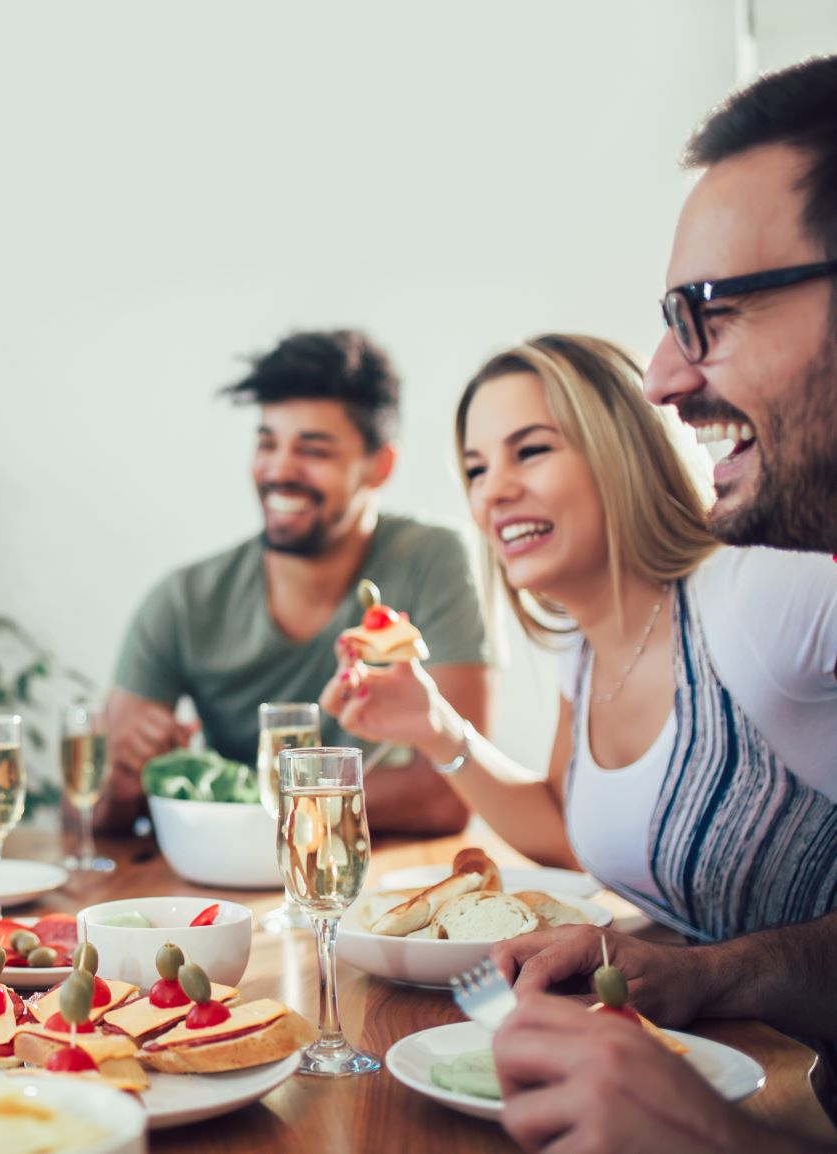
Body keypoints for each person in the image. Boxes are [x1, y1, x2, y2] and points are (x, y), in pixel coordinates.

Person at [484, 55, 837, 1153]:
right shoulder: (588, 650)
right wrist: (701, 971)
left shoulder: (772, 595)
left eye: (709, 312)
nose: (664, 376)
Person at [321, 332, 837, 932]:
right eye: (476, 469)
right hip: (702, 1028)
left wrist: (713, 976)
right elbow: (569, 831)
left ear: (625, 449)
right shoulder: (583, 642)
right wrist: (434, 729)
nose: (495, 490)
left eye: (531, 451)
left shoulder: (765, 584)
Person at [99, 328, 489, 835]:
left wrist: (253, 802)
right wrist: (126, 780)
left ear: (379, 466)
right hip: (228, 880)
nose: (279, 469)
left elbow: (445, 800)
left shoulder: (432, 558)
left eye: (314, 450)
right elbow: (91, 819)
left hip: (372, 876)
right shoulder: (182, 600)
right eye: (267, 443)